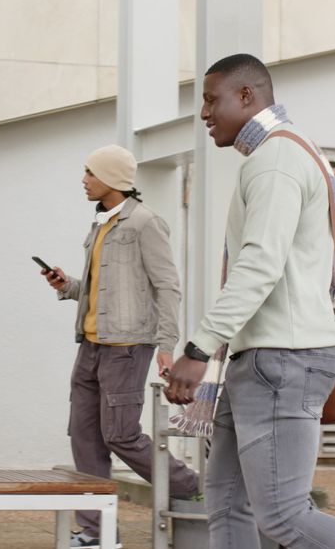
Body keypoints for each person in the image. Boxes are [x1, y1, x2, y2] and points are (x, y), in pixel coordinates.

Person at [165, 54, 335, 548]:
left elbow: (259, 265)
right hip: (265, 357)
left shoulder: (276, 159)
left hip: (282, 359)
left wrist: (198, 350)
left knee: (282, 516)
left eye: (211, 100)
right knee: (228, 505)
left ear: (246, 96)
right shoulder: (290, 153)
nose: (204, 113)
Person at [42, 144, 199, 548]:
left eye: (90, 172)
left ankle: (194, 487)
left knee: (121, 435)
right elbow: (100, 290)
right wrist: (68, 286)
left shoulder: (146, 223)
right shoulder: (101, 225)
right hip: (91, 346)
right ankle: (97, 534)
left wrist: (167, 343)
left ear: (111, 178)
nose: (84, 179)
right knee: (85, 437)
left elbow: (167, 286)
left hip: (128, 348)